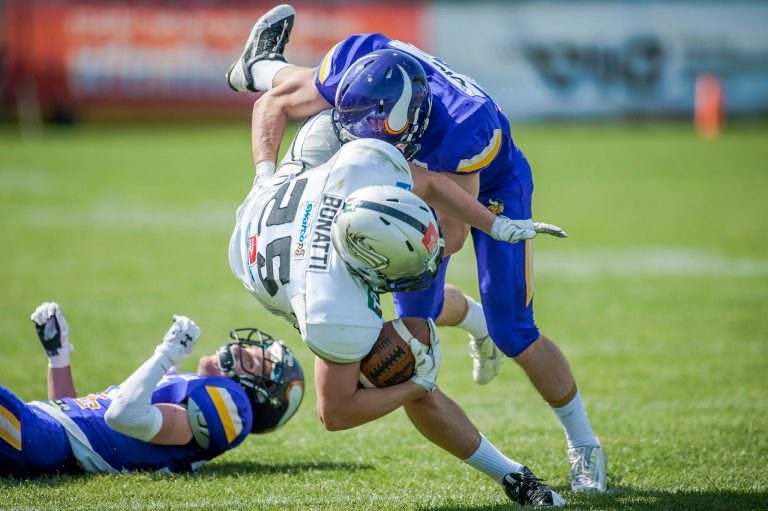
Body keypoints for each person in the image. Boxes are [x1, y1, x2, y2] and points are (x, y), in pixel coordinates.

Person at [225, 4, 606, 493]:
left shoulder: (467, 126)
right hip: (401, 179)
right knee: (412, 333)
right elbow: (275, 104)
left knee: (514, 328)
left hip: (488, 188)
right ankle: (258, 66)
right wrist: (265, 178)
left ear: (416, 123)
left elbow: (450, 235)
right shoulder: (356, 59)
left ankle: (584, 442)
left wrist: (375, 265)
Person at [227, 100, 565, 505]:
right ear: (367, 272)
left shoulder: (360, 166)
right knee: (403, 361)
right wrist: (415, 386)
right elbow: (334, 413)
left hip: (288, 193)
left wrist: (495, 224)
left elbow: (433, 184)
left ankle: (478, 325)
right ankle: (513, 477)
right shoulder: (334, 309)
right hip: (275, 271)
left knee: (326, 120)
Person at [0, 302, 304, 476]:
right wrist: (58, 356)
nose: (238, 349)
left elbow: (122, 416)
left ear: (260, 395)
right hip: (41, 431)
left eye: (253, 361)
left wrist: (167, 354)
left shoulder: (233, 405)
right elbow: (72, 418)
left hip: (37, 437)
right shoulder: (190, 384)